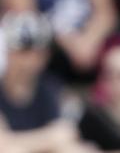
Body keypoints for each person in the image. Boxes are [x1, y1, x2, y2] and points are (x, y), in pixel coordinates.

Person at [0, 11, 94, 153]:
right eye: (22, 52)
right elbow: (3, 145)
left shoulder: (53, 88)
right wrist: (49, 138)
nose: (29, 61)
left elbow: (67, 134)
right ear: (7, 52)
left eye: (37, 53)